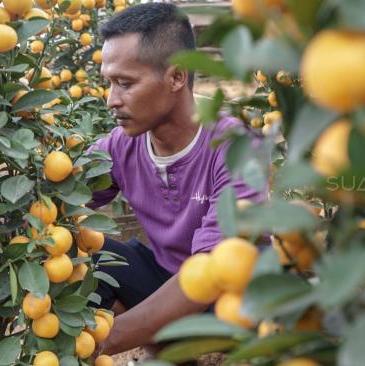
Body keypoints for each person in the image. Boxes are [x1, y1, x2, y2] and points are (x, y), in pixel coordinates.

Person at [88, 2, 263, 356]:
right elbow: (59, 193)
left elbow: (213, 272)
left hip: (232, 305)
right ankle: (165, 346)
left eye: (125, 84)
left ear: (177, 77)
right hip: (167, 283)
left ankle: (175, 349)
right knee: (84, 252)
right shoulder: (122, 146)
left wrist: (106, 338)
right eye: (109, 83)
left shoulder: (234, 147)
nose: (111, 100)